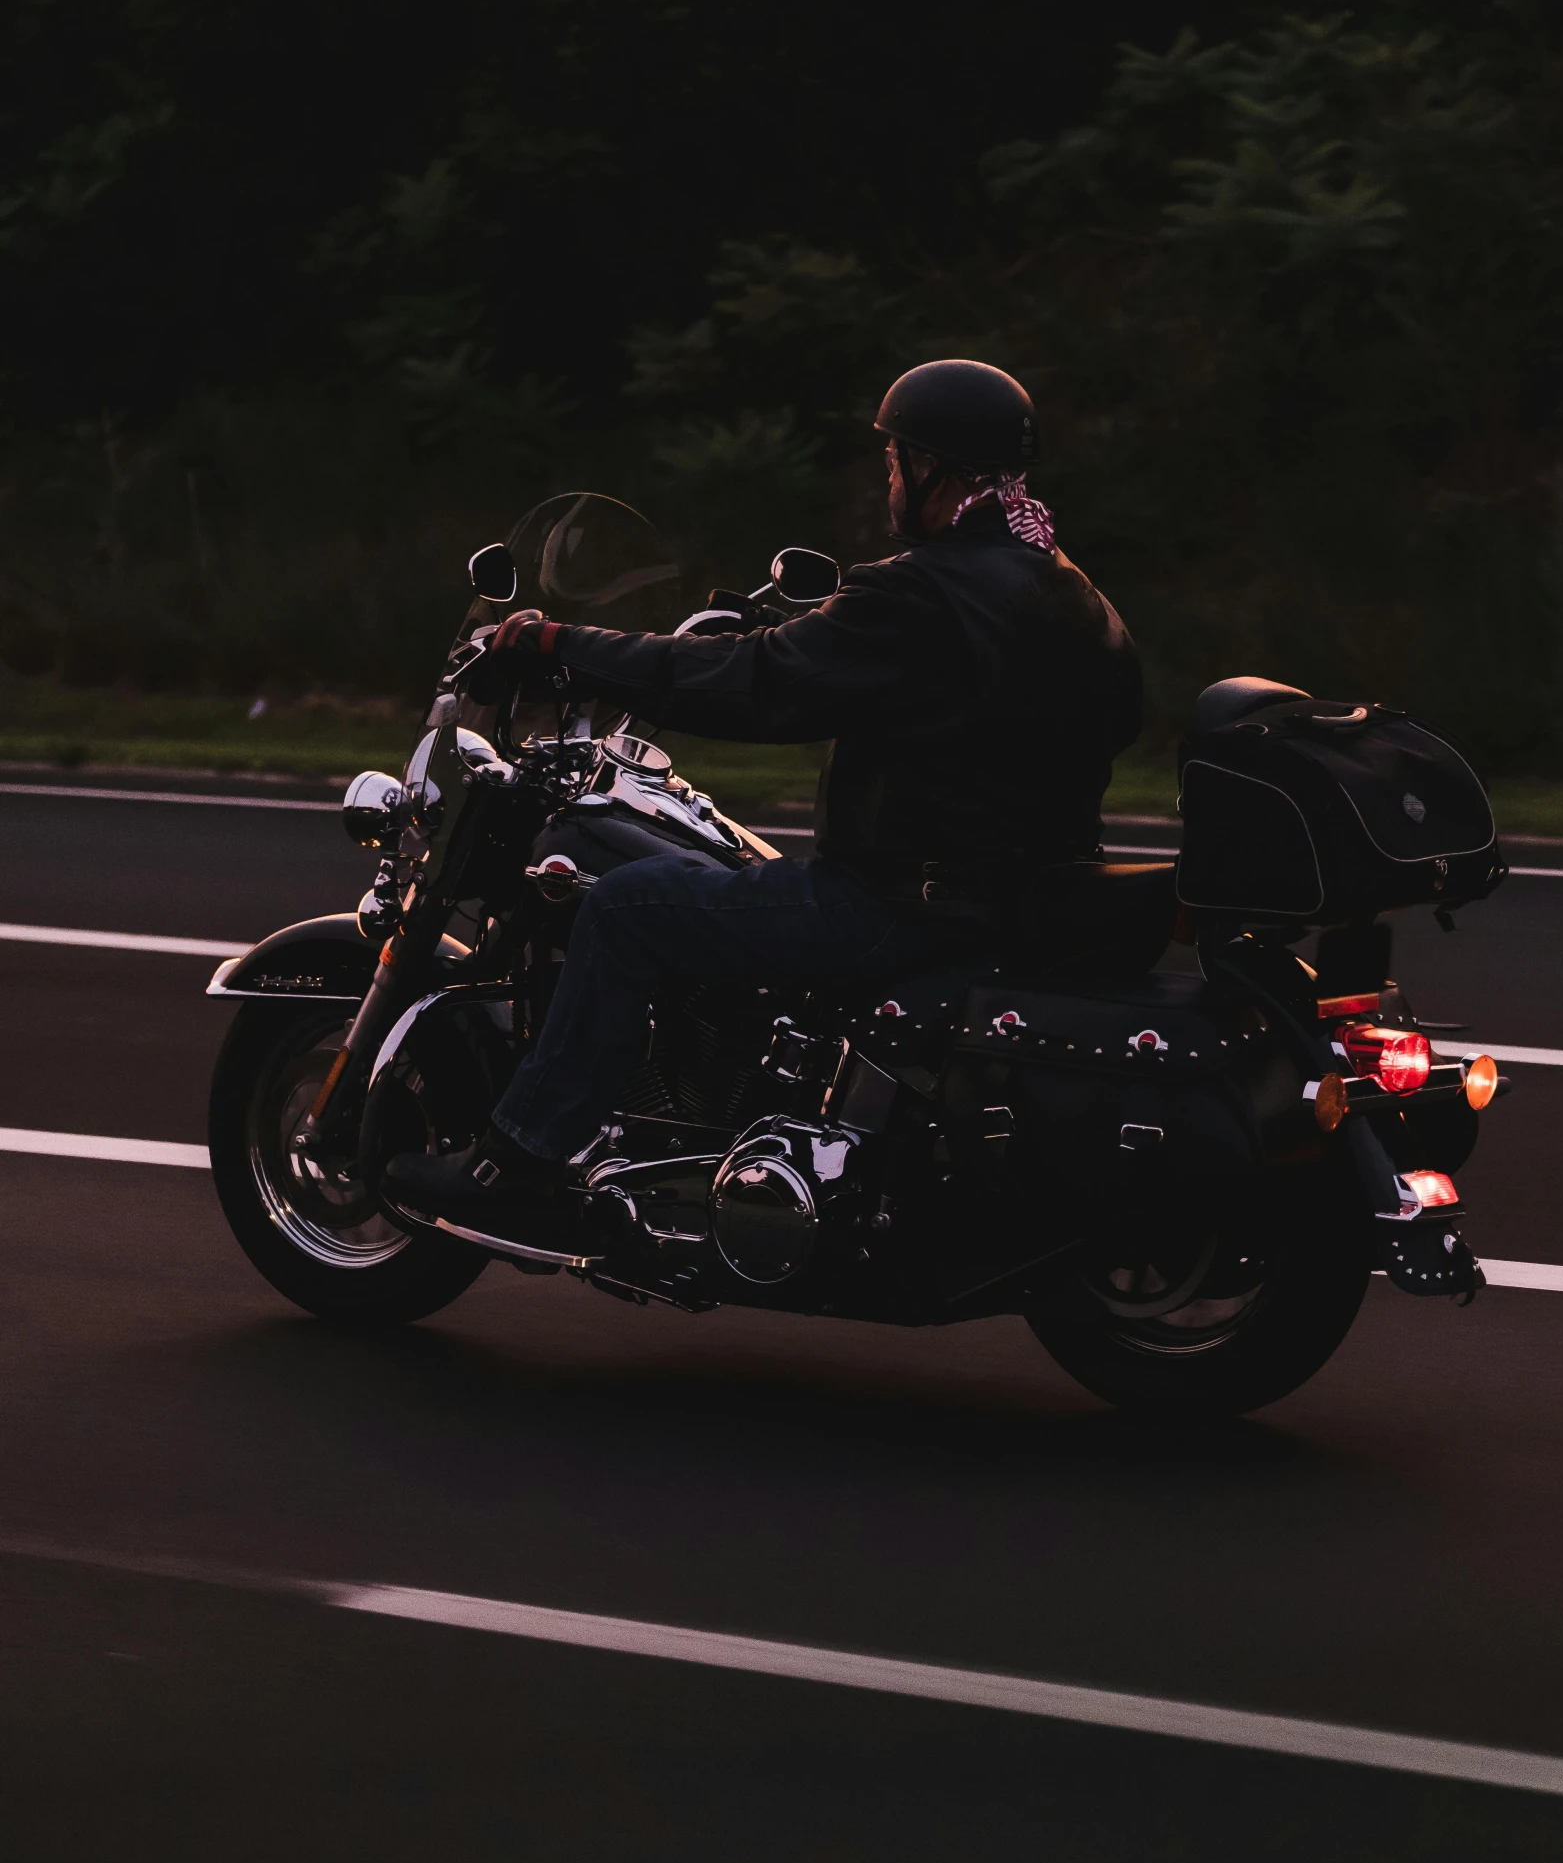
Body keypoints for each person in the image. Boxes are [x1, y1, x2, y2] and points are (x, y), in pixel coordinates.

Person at [387, 358, 1142, 1231]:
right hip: (1027, 899)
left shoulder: (918, 592)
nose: (889, 478)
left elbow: (758, 685)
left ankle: (517, 1159)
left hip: (900, 901)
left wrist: (566, 642)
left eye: (896, 461)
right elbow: (1093, 715)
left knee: (627, 905)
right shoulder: (1076, 594)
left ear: (933, 469)